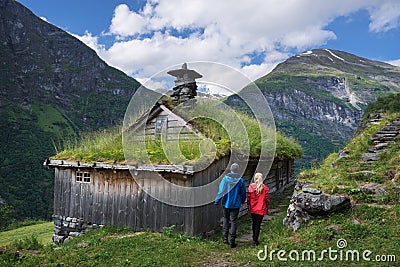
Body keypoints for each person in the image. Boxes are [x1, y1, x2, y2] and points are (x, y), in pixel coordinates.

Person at [214, 163, 246, 248]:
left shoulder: (225, 179)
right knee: (234, 221)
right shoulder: (240, 180)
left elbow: (221, 191)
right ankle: (232, 240)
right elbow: (243, 192)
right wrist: (242, 201)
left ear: (231, 169)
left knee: (226, 219)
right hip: (235, 204)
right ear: (237, 170)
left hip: (226, 203)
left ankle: (225, 238)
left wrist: (217, 201)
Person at [247, 172, 270, 246]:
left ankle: (254, 237)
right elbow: (267, 199)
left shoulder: (251, 187)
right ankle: (255, 240)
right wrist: (267, 205)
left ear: (255, 178)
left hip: (253, 208)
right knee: (258, 224)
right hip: (261, 208)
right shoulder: (265, 188)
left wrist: (249, 205)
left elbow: (248, 198)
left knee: (254, 223)